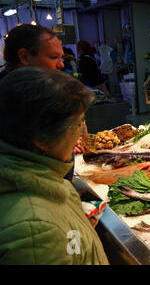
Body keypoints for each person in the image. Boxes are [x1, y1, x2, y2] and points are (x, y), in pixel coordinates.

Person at [0, 67, 109, 264]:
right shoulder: (35, 230)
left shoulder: (43, 173)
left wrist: (77, 227)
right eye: (77, 124)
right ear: (41, 138)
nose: (81, 133)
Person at [0, 24, 90, 180]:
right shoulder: (14, 98)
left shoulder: (46, 89)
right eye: (54, 57)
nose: (61, 64)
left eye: (61, 57)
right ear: (24, 56)